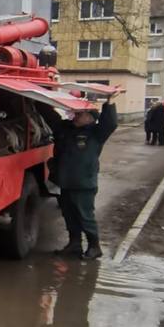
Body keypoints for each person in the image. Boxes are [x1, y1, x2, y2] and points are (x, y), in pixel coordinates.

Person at [51, 93, 119, 260]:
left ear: (90, 118)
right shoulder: (67, 130)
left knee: (85, 216)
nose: (76, 116)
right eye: (76, 113)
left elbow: (110, 123)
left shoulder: (96, 134)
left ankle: (94, 247)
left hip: (83, 183)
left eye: (80, 114)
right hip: (65, 181)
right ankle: (74, 244)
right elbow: (51, 119)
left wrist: (109, 103)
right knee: (69, 214)